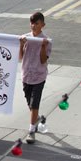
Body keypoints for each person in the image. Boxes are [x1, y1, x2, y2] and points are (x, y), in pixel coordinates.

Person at [19, 12, 51, 145]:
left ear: (42, 25)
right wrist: (21, 44)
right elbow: (20, 57)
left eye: (36, 23)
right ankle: (36, 118)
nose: (33, 25)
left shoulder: (46, 41)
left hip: (39, 76)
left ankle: (31, 130)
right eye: (32, 23)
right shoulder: (26, 38)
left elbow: (43, 60)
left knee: (34, 103)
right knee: (29, 103)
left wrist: (43, 46)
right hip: (26, 75)